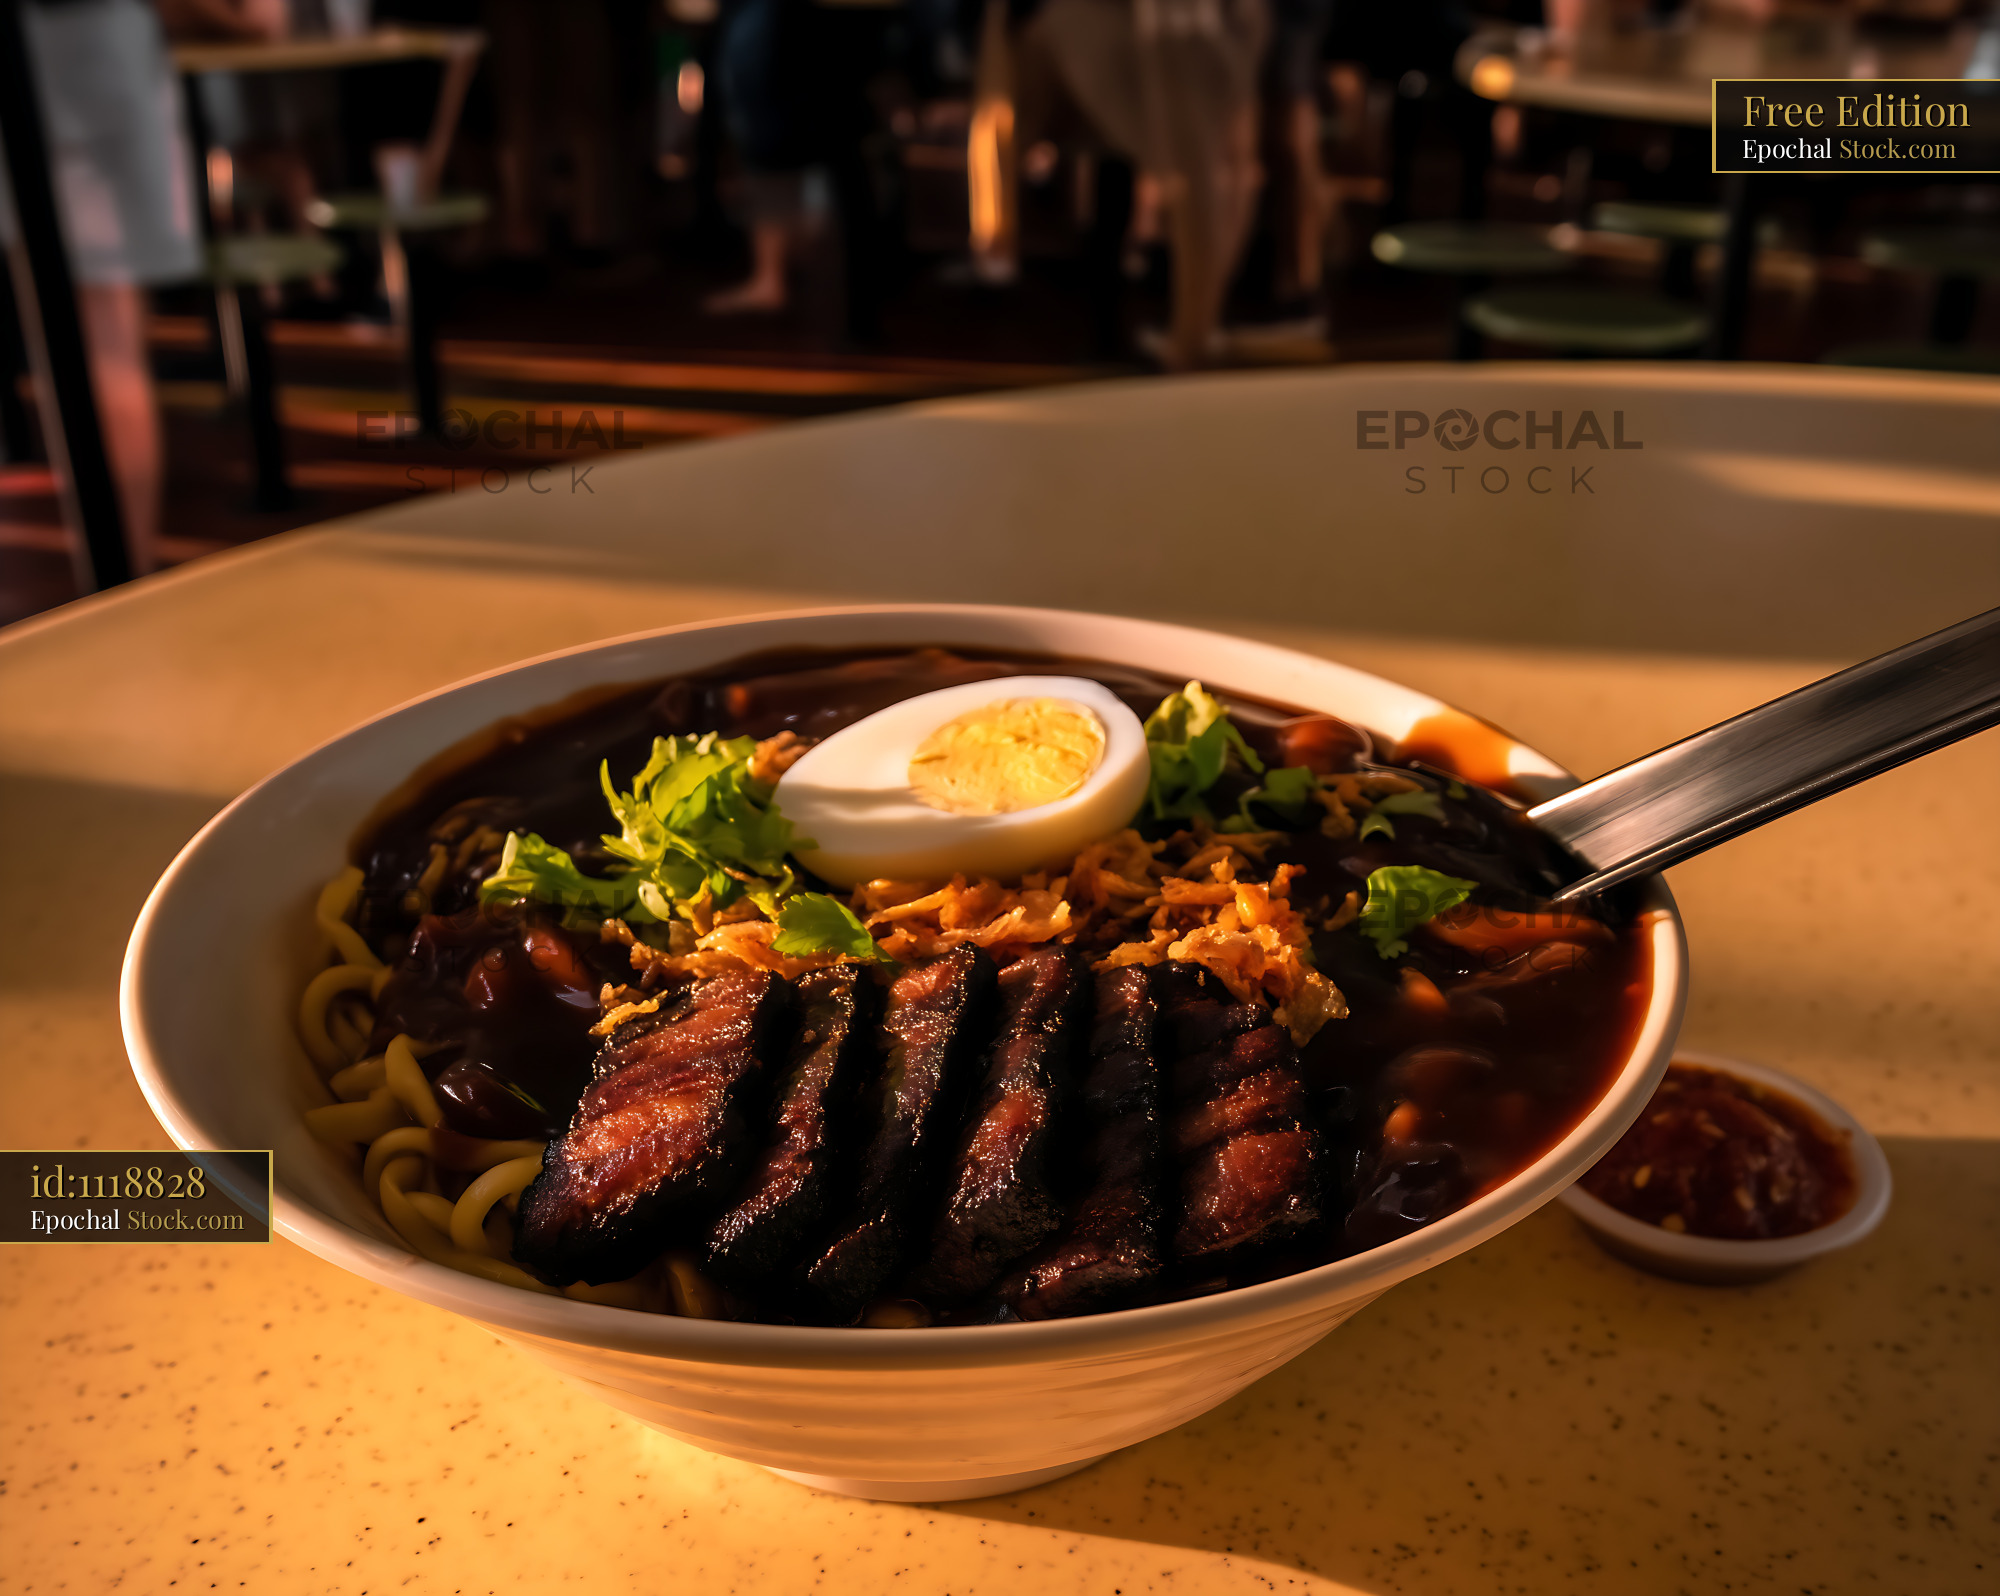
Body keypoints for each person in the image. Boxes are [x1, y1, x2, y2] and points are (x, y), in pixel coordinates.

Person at [1, 0, 239, 575]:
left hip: (29, 63)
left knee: (67, 327)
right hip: (95, 62)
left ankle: (113, 569)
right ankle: (122, 576)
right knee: (108, 344)